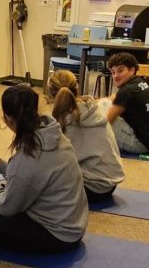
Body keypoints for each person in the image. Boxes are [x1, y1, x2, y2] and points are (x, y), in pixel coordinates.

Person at [0, 84, 88, 253]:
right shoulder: (53, 134)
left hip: (57, 235)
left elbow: (5, 206)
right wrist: (2, 166)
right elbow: (34, 176)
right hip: (73, 225)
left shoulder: (27, 157)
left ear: (7, 118)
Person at [46, 69, 125, 203]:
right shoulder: (94, 109)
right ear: (76, 88)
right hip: (110, 184)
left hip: (91, 188)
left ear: (51, 94)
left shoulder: (62, 123)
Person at [105, 52, 149, 154]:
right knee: (104, 104)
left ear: (131, 70)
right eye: (113, 72)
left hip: (138, 145)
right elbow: (113, 98)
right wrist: (90, 101)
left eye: (120, 71)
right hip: (147, 141)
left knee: (100, 115)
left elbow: (105, 121)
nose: (116, 76)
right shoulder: (139, 82)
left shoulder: (127, 91)